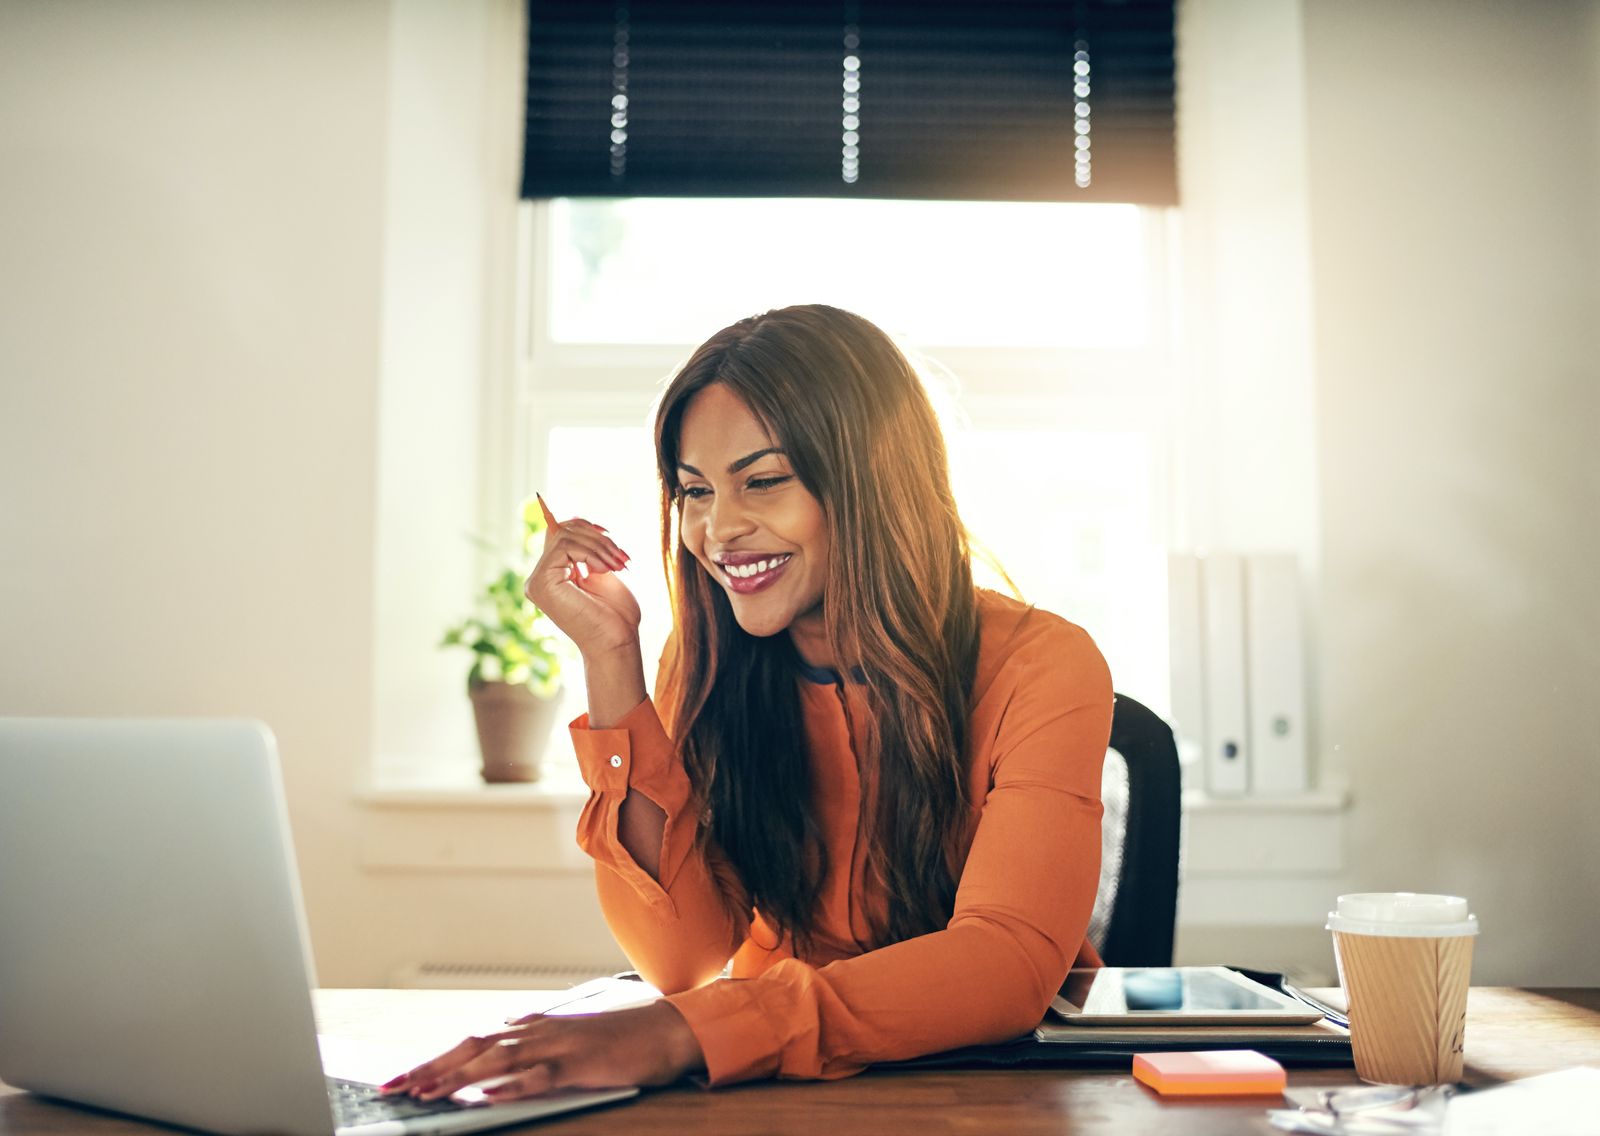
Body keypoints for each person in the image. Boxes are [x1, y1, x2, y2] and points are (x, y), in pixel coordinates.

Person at [383, 304, 1113, 1102]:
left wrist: (687, 1032)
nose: (717, 529)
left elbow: (1003, 961)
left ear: (873, 479)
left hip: (986, 1093)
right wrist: (611, 659)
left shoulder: (1043, 664)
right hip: (772, 1088)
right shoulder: (705, 661)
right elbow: (681, 958)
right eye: (694, 491)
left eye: (762, 481)